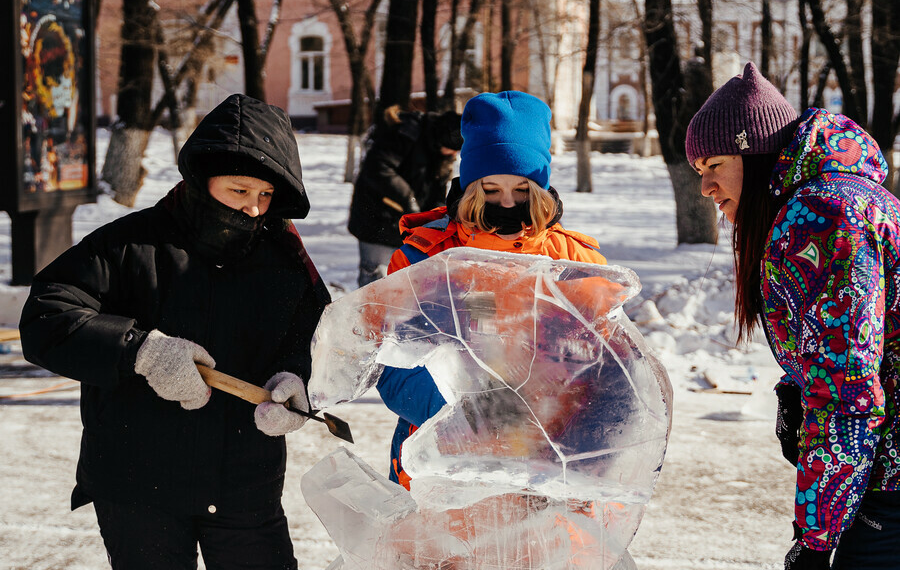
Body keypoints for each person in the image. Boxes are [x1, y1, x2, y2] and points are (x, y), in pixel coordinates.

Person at [18, 93, 331, 570]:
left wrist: (298, 379)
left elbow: (318, 340)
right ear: (203, 180)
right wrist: (140, 351)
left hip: (244, 483)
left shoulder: (285, 261)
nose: (253, 209)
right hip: (138, 483)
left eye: (265, 195)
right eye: (239, 190)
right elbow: (46, 318)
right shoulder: (128, 245)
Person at [685, 62, 900, 570]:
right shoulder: (833, 202)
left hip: (889, 478)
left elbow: (847, 390)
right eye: (698, 172)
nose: (706, 188)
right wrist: (794, 389)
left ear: (754, 154)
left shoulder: (823, 216)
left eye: (714, 164)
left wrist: (815, 537)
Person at [375, 90, 608, 489]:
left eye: (521, 190)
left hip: (543, 464)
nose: (506, 202)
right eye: (490, 190)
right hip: (441, 459)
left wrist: (556, 403)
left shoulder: (574, 261)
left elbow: (603, 365)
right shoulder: (425, 257)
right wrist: (468, 410)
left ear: (540, 187)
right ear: (470, 185)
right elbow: (392, 366)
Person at [347, 104, 463, 287]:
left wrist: (436, 217)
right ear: (442, 140)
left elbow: (437, 190)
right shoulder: (407, 132)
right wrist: (408, 198)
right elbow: (379, 168)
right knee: (374, 278)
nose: (454, 154)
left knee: (404, 284)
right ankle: (369, 314)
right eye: (452, 149)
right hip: (377, 217)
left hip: (406, 225)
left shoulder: (440, 152)